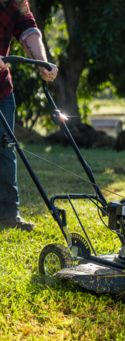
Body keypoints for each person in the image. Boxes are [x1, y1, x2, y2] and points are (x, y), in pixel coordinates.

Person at [0, 0, 58, 231]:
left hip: (1, 89)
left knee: (5, 148)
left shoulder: (15, 2)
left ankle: (8, 215)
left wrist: (41, 61)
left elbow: (28, 29)